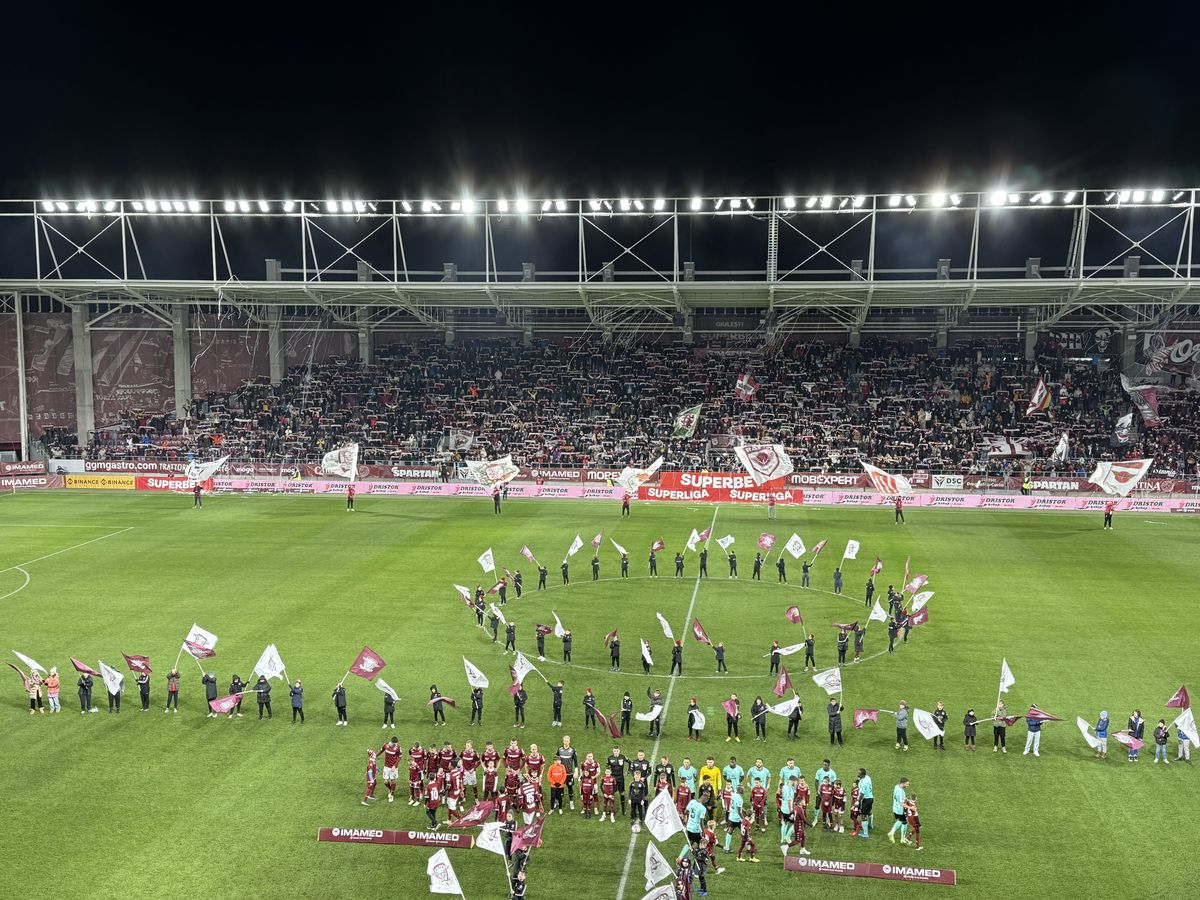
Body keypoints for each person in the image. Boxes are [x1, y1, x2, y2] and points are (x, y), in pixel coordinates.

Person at [556, 736, 579, 810]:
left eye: (567, 741)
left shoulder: (572, 750)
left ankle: (571, 802)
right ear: (563, 741)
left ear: (569, 741)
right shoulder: (559, 749)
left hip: (569, 773)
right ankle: (558, 801)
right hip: (561, 773)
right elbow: (556, 759)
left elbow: (575, 761)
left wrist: (576, 771)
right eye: (564, 741)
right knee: (560, 787)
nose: (566, 742)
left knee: (570, 787)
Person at [887, 777, 910, 844]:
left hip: (895, 808)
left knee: (900, 821)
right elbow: (901, 803)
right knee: (904, 822)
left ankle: (892, 833)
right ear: (903, 783)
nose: (907, 786)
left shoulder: (896, 786)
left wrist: (907, 799)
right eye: (907, 784)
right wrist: (910, 807)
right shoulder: (900, 792)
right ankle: (901, 838)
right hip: (899, 810)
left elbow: (902, 798)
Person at [380, 736, 401, 802]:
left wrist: (395, 765)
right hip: (386, 766)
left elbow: (399, 757)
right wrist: (375, 756)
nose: (395, 744)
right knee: (385, 781)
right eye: (394, 743)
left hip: (393, 767)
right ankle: (390, 789)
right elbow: (381, 751)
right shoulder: (386, 745)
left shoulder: (398, 748)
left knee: (393, 781)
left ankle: (391, 795)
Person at [856, 767, 874, 838]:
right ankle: (870, 825)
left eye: (858, 773)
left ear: (862, 775)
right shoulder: (868, 777)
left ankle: (865, 834)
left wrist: (858, 801)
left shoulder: (863, 783)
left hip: (866, 799)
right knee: (869, 812)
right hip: (871, 798)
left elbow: (862, 794)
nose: (857, 774)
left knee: (863, 816)